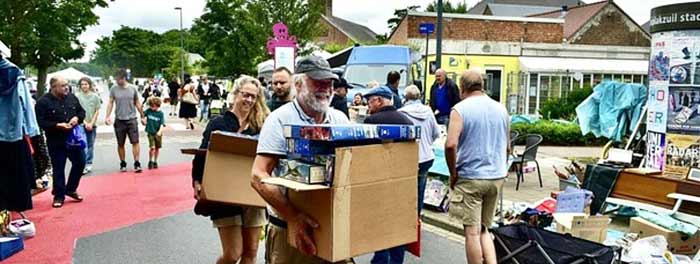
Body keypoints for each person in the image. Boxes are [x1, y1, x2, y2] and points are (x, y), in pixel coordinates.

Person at [251, 56, 349, 264]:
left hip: (334, 228)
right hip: (290, 229)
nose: (325, 88)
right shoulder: (280, 119)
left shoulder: (340, 119)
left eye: (329, 82)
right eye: (318, 82)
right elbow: (258, 175)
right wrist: (293, 217)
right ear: (298, 84)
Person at [193, 75, 270, 264]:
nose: (249, 100)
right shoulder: (218, 123)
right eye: (245, 95)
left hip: (253, 193)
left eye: (254, 97)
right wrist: (197, 181)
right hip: (224, 193)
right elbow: (202, 155)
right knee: (233, 253)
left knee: (251, 251)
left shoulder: (260, 125)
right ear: (235, 94)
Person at [445, 70, 509, 264]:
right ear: (482, 86)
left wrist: (453, 172)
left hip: (471, 177)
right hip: (496, 176)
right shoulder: (501, 109)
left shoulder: (460, 109)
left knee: (472, 233)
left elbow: (450, 144)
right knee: (484, 229)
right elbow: (507, 147)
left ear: (462, 88)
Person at [362, 85, 413, 264]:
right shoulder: (406, 121)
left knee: (380, 222)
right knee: (398, 224)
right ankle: (396, 260)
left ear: (379, 100)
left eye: (370, 101)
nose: (368, 105)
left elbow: (365, 152)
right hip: (403, 180)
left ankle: (381, 259)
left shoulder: (371, 121)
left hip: (379, 178)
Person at [35, 76, 86, 208]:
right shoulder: (42, 102)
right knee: (58, 168)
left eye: (67, 85)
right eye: (63, 85)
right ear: (53, 87)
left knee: (80, 163)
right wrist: (57, 125)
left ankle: (71, 188)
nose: (66, 87)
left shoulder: (72, 97)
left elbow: (81, 112)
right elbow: (41, 122)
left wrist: (76, 118)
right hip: (56, 140)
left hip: (73, 139)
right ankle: (59, 195)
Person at [398, 85, 440, 215]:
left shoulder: (401, 113)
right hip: (426, 156)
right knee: (420, 188)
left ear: (405, 97)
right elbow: (436, 133)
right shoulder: (428, 111)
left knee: (405, 189)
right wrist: (427, 143)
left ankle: (406, 216)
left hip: (409, 158)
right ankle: (417, 216)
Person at [105, 68, 147, 173]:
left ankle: (137, 162)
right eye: (116, 79)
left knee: (135, 141)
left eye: (119, 79)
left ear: (124, 78)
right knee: (120, 143)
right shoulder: (114, 88)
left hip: (131, 119)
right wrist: (107, 116)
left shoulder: (133, 88)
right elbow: (110, 102)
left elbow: (137, 102)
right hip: (119, 119)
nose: (117, 82)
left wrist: (142, 116)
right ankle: (122, 162)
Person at [75, 77, 101, 174]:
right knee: (82, 145)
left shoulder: (95, 96)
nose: (84, 86)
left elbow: (97, 110)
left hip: (92, 124)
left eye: (86, 84)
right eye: (82, 84)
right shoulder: (77, 96)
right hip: (81, 124)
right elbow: (76, 111)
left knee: (90, 145)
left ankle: (88, 163)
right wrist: (85, 122)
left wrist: (91, 123)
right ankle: (82, 164)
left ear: (89, 85)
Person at [145, 97, 166, 169]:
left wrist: (160, 131)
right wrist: (143, 120)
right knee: (152, 147)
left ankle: (155, 161)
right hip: (150, 132)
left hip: (158, 133)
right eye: (150, 106)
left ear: (157, 105)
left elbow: (162, 123)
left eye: (153, 106)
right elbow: (142, 115)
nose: (151, 107)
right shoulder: (148, 111)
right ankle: (150, 161)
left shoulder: (160, 114)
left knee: (157, 148)